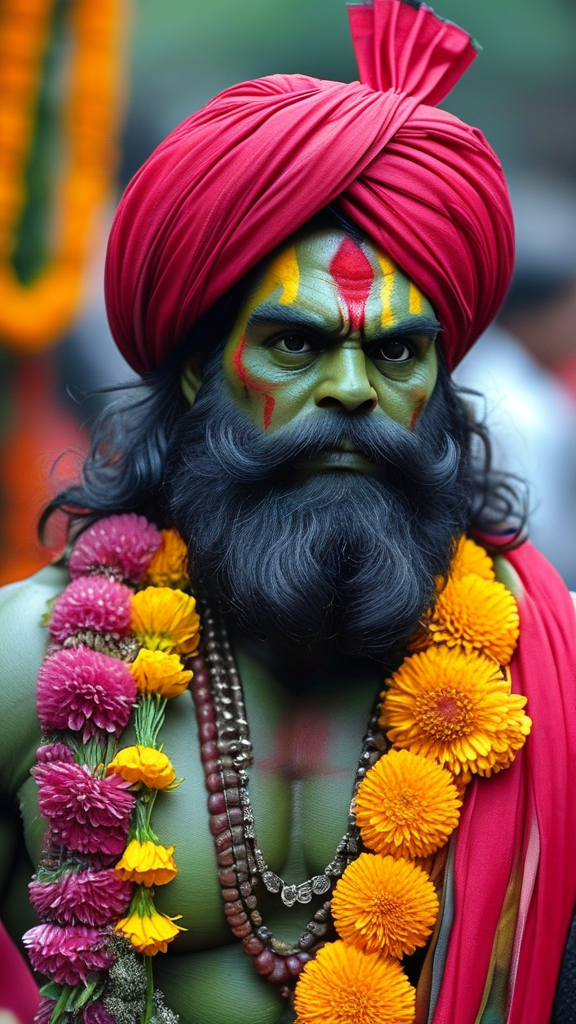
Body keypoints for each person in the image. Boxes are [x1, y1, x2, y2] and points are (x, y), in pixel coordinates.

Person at [1, 2, 575, 1023]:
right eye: (296, 346)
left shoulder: (551, 676)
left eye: (397, 354)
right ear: (193, 373)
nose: (353, 389)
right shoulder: (27, 665)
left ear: (441, 387)